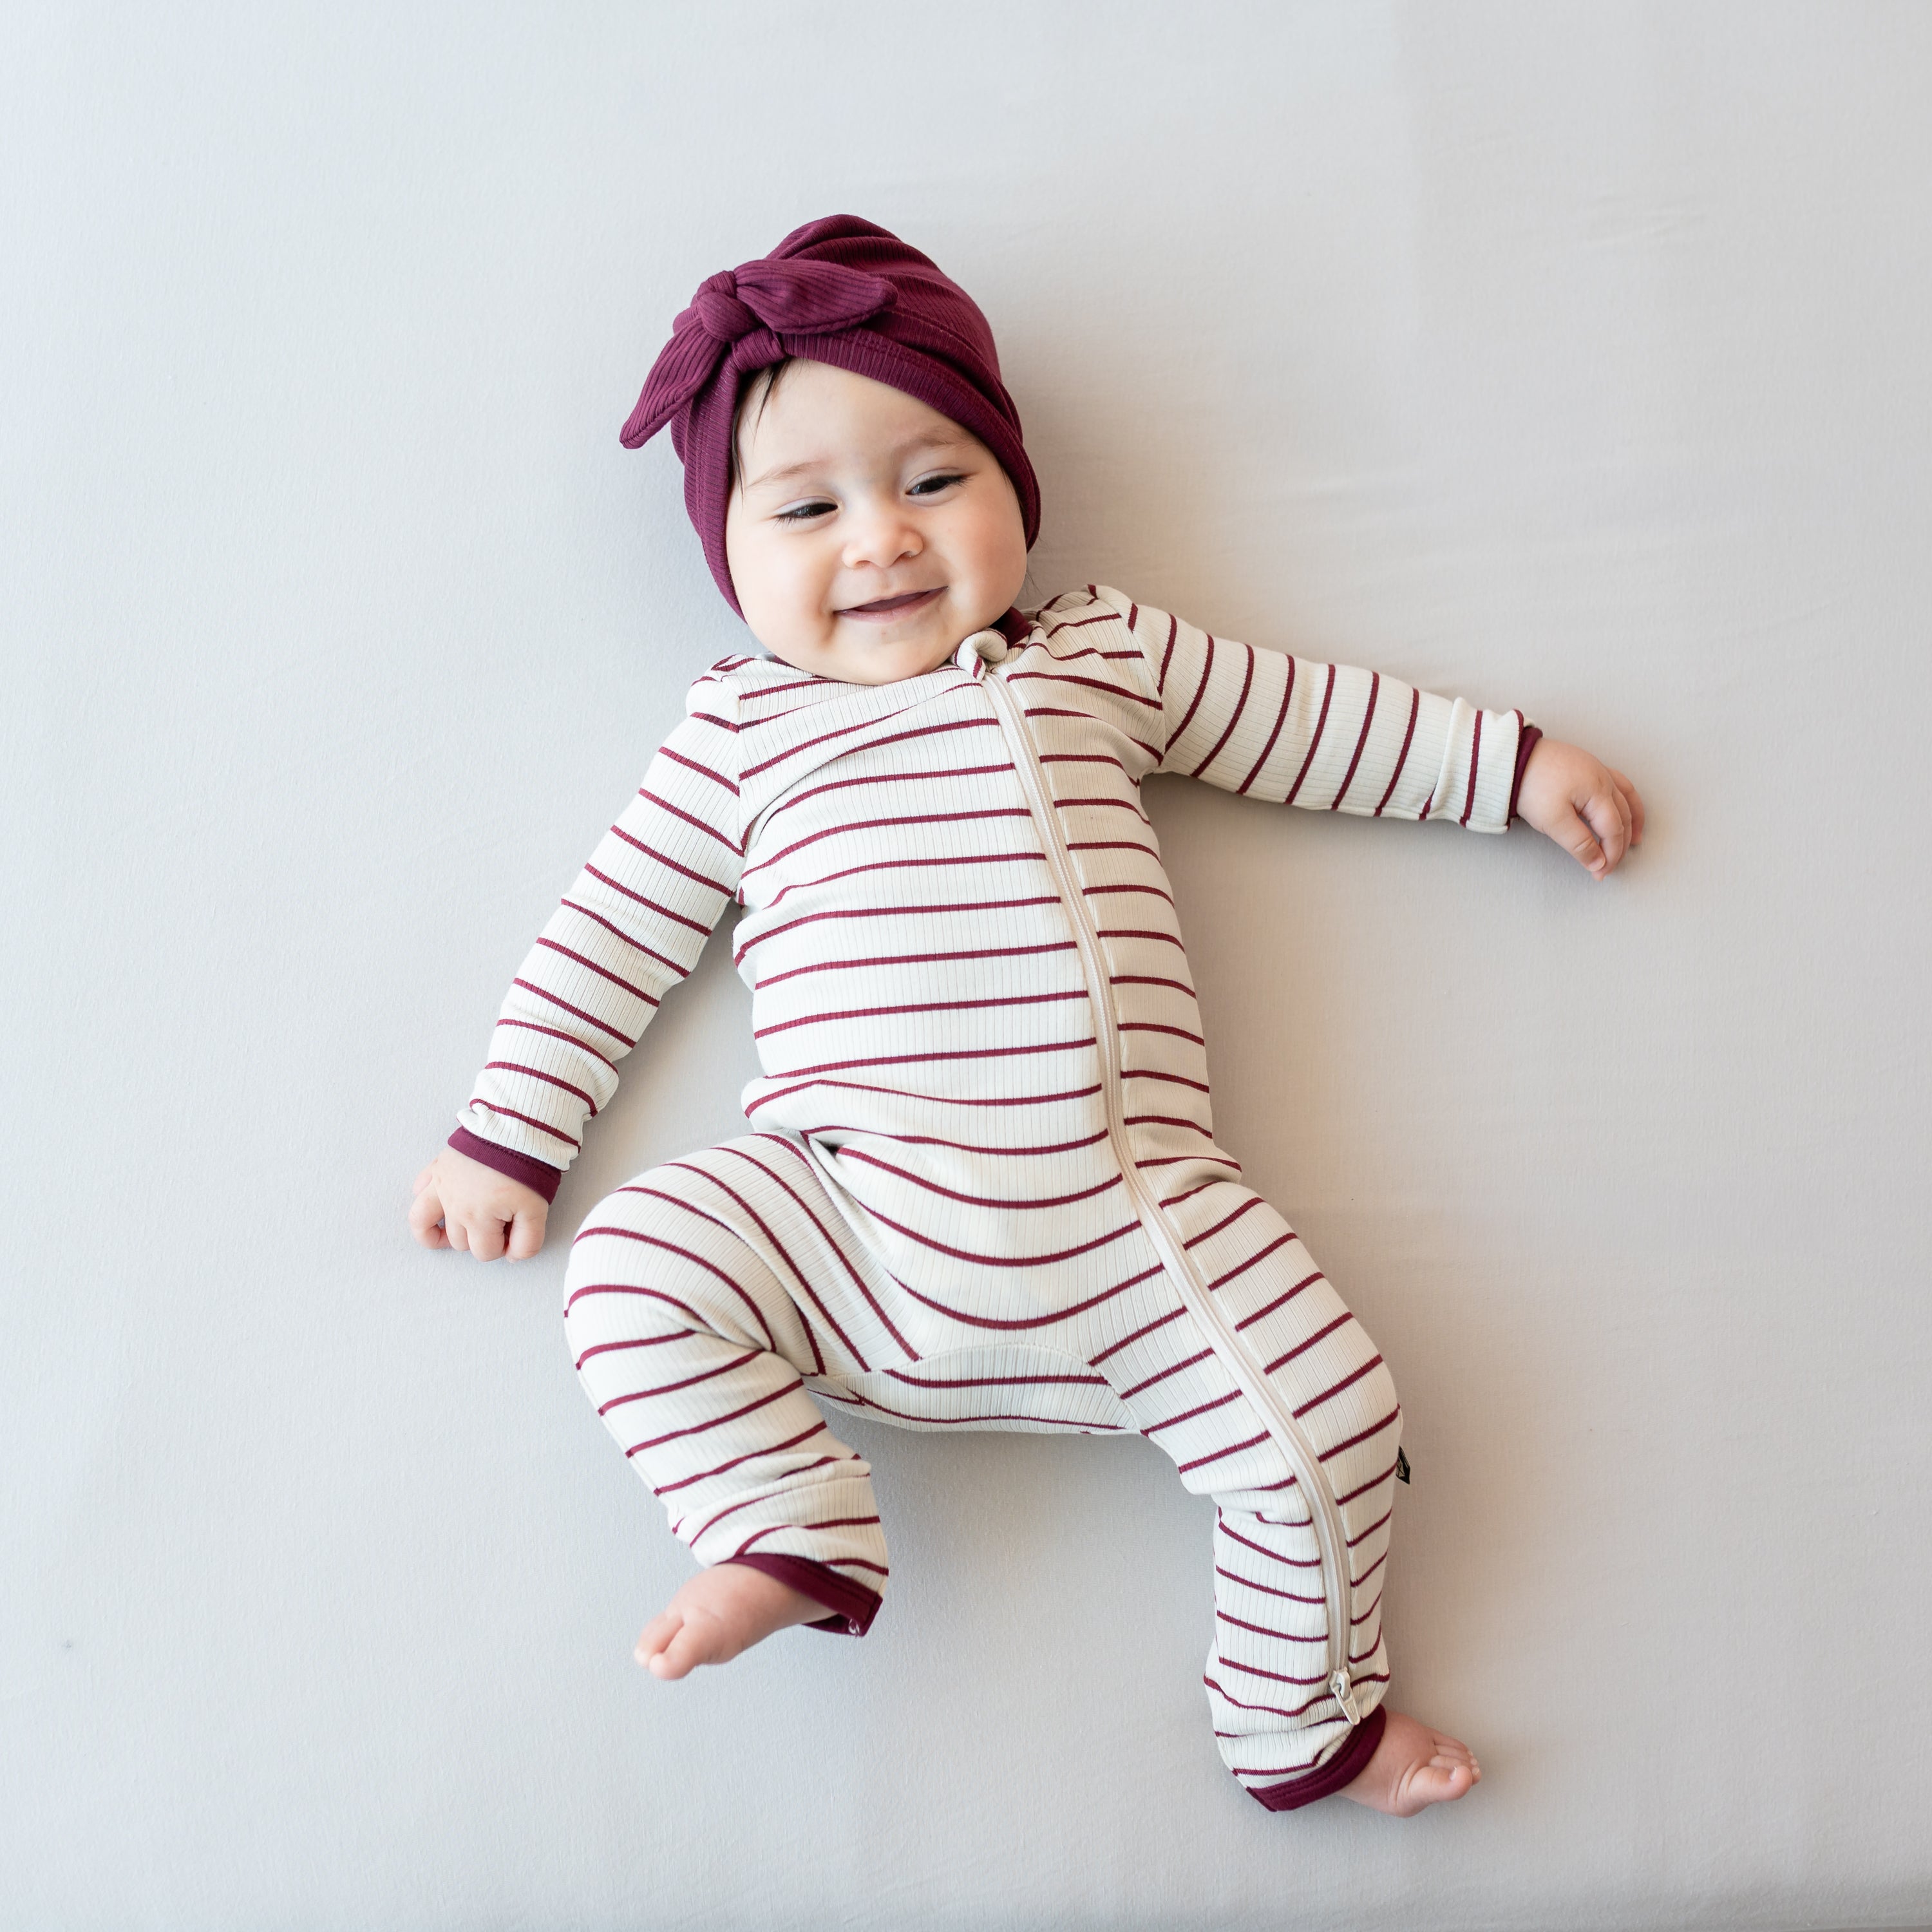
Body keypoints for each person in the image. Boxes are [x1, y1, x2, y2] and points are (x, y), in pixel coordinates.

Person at [408, 216, 1643, 1817]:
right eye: (807, 508)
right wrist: (508, 1137)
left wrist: (1508, 767)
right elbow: (611, 936)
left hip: (1143, 1225)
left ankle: (1302, 1721)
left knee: (1334, 1426)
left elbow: (1306, 718)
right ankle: (787, 1525)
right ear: (730, 551)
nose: (882, 540)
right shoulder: (740, 736)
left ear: (1013, 483)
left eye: (935, 480)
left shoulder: (1095, 657)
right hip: (857, 1221)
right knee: (633, 1264)